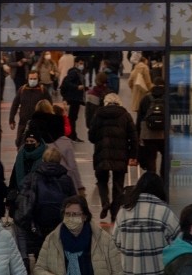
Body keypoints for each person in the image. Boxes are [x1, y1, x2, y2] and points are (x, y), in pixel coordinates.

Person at [91, 92, 137, 221]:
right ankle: (115, 213)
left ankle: (105, 202)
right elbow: (133, 137)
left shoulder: (98, 114)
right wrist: (133, 155)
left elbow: (91, 136)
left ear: (105, 102)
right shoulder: (125, 115)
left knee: (101, 181)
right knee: (118, 185)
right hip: (120, 155)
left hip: (102, 153)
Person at [9, 70, 50, 147]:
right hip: (23, 123)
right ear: (27, 79)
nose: (32, 80)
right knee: (20, 144)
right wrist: (11, 120)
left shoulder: (43, 90)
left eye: (34, 79)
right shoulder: (22, 90)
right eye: (31, 78)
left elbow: (49, 106)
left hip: (38, 124)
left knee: (38, 144)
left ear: (38, 79)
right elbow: (15, 105)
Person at [135, 82, 167, 173]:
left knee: (151, 158)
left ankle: (152, 176)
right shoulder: (168, 99)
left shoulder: (145, 99)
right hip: (164, 134)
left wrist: (138, 135)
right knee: (166, 157)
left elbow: (139, 119)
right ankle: (163, 178)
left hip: (148, 135)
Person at [61, 57, 87, 141]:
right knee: (72, 118)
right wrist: (77, 87)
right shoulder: (74, 72)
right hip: (73, 98)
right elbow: (67, 82)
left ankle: (72, 135)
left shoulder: (78, 72)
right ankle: (71, 135)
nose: (82, 65)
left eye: (82, 63)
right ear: (76, 63)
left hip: (75, 98)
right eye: (80, 63)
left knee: (72, 117)